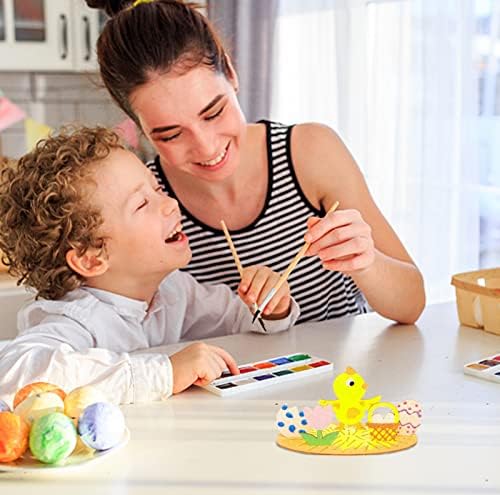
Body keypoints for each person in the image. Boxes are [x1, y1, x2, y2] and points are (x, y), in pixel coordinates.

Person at [86, 0, 425, 324]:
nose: (206, 148)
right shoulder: (146, 204)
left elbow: (411, 304)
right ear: (140, 127)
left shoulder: (310, 152)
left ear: (231, 72)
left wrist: (365, 263)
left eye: (214, 112)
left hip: (343, 381)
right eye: (171, 135)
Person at [0, 127, 298, 406]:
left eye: (157, 189)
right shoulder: (78, 319)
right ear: (91, 257)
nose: (170, 204)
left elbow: (241, 322)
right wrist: (164, 373)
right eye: (142, 204)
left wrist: (270, 304)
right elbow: (15, 373)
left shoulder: (174, 290)